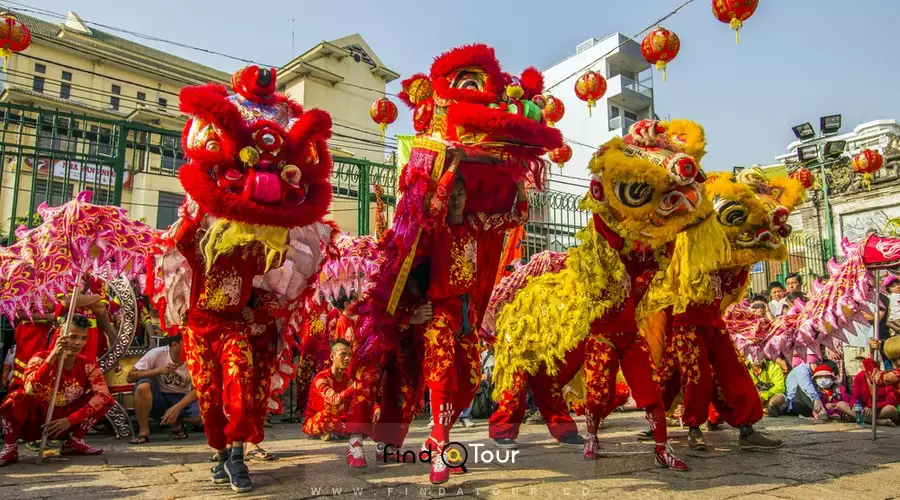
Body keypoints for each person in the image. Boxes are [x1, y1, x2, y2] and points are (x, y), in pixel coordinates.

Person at [0, 314, 114, 466]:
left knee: (106, 400)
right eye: (73, 337)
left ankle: (73, 442)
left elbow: (103, 396)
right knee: (14, 399)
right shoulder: (39, 358)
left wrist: (70, 420)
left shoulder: (88, 364)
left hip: (65, 419)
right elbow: (29, 390)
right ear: (60, 335)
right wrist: (53, 357)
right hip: (37, 419)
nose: (78, 343)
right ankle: (11, 448)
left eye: (83, 338)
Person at [127, 333, 199, 444]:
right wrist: (158, 371)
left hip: (185, 400)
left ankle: (179, 422)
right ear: (175, 344)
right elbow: (130, 376)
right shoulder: (157, 353)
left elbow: (201, 387)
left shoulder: (195, 356)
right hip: (161, 398)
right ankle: (143, 432)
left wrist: (178, 407)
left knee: (206, 408)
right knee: (142, 386)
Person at [303, 339, 355, 439]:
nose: (347, 358)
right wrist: (354, 387)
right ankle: (338, 431)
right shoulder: (321, 378)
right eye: (343, 354)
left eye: (349, 355)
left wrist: (376, 409)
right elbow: (334, 400)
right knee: (325, 416)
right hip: (318, 420)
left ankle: (338, 431)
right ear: (332, 357)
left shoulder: (349, 379)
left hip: (340, 418)